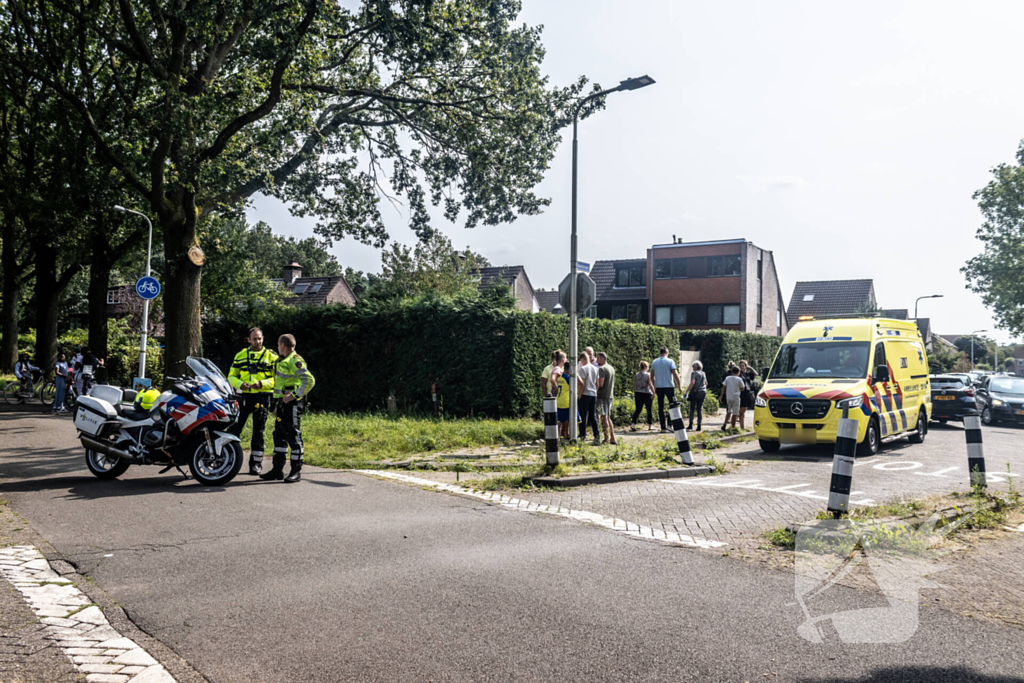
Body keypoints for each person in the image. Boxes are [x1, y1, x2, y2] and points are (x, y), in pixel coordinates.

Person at [262, 334, 316, 483]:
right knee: (279, 436)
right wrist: (277, 405)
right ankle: (277, 470)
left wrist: (294, 395)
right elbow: (280, 386)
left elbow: (309, 380)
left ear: (283, 345)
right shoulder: (283, 361)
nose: (278, 347)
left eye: (278, 345)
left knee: (293, 435)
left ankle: (295, 471)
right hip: (282, 404)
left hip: (291, 404)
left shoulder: (295, 361)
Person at [228, 327, 279, 475]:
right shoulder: (240, 355)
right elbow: (231, 376)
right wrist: (239, 384)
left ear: (263, 339)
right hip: (243, 398)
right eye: (254, 339)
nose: (257, 341)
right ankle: (229, 460)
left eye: (260, 338)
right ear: (248, 340)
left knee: (259, 432)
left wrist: (262, 384)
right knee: (234, 429)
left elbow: (279, 379)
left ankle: (256, 464)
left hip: (262, 398)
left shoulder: (271, 357)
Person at [650, 347, 681, 432]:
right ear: (667, 353)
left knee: (661, 406)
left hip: (659, 387)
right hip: (669, 386)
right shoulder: (670, 361)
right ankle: (669, 425)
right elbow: (675, 374)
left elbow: (651, 376)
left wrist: (654, 387)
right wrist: (679, 386)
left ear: (660, 353)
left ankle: (663, 427)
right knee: (672, 405)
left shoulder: (654, 362)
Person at [577, 353, 600, 444]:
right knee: (592, 416)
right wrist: (595, 392)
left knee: (582, 415)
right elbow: (597, 383)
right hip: (593, 394)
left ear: (583, 359)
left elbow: (582, 384)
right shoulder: (595, 369)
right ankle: (597, 435)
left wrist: (580, 395)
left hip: (585, 394)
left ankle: (583, 435)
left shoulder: (583, 369)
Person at [595, 352, 617, 445]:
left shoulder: (602, 369)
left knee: (604, 418)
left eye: (598, 359)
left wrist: (595, 388)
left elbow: (600, 384)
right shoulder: (611, 368)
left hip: (602, 396)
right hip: (609, 395)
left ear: (602, 359)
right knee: (608, 417)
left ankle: (606, 438)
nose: (596, 361)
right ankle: (613, 438)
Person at [631, 361, 655, 431]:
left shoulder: (636, 375)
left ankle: (633, 424)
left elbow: (634, 385)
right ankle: (650, 425)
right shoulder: (648, 375)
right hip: (647, 393)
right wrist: (654, 392)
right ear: (646, 367)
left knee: (638, 409)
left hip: (638, 393)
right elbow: (650, 384)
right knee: (649, 409)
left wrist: (635, 391)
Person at [720, 366, 745, 431]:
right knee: (735, 413)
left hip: (728, 397)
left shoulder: (727, 378)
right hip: (736, 397)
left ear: (732, 371)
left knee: (729, 411)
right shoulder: (739, 379)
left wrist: (721, 396)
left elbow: (723, 387)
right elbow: (742, 388)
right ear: (738, 372)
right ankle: (733, 427)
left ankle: (724, 424)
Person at [685, 361, 707, 431]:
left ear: (695, 367)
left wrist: (686, 391)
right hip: (703, 392)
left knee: (692, 409)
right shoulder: (703, 373)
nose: (692, 368)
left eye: (693, 366)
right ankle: (699, 426)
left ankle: (690, 424)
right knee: (699, 409)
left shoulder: (694, 373)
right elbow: (706, 383)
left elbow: (692, 383)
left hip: (695, 392)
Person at [737, 360, 757, 430]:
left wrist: (750, 368)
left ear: (745, 366)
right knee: (740, 411)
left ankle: (742, 426)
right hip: (740, 393)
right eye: (740, 366)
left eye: (743, 366)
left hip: (747, 394)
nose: (741, 367)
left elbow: (756, 374)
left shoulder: (748, 374)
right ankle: (739, 426)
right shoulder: (738, 374)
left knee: (744, 410)